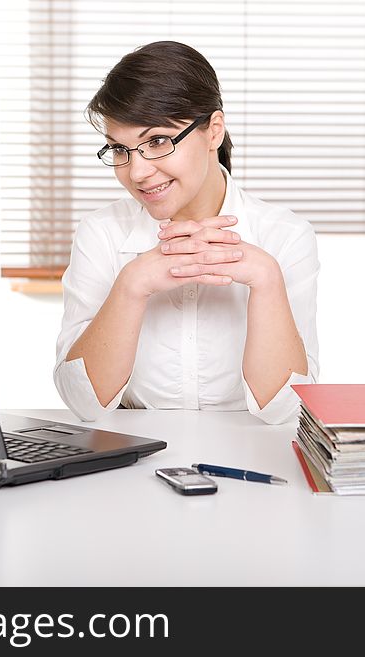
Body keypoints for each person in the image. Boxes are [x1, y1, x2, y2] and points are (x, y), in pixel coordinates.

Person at [53, 41, 319, 425]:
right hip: (134, 457)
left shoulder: (286, 236)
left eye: (157, 141)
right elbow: (83, 403)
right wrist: (132, 284)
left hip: (252, 457)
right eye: (119, 149)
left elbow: (286, 410)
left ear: (213, 131)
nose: (137, 172)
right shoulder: (102, 233)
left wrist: (266, 279)